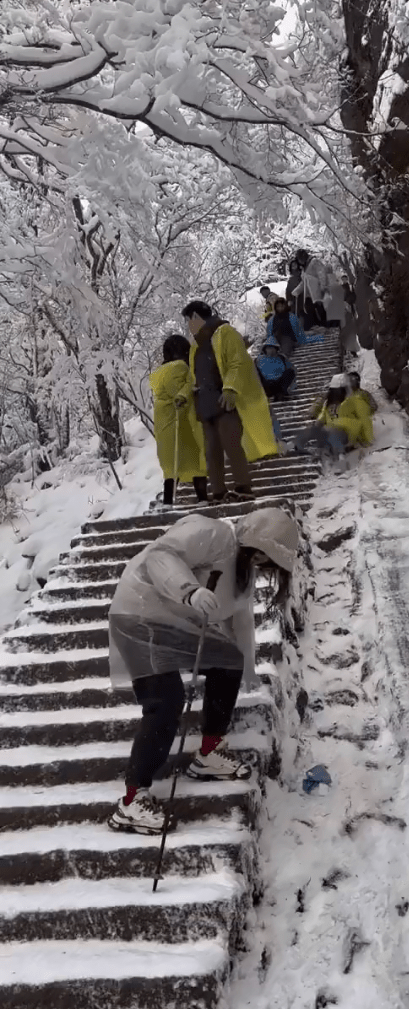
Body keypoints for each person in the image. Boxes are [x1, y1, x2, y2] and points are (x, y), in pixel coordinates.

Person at [107, 507, 299, 834]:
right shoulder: (211, 533)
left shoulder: (242, 574)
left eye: (267, 566)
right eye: (261, 559)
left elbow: (238, 622)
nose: (261, 569)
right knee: (166, 701)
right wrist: (190, 591)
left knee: (227, 660)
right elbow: (160, 556)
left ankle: (208, 751)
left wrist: (245, 668)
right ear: (255, 546)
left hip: (175, 624)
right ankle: (130, 801)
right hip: (138, 614)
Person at [182, 300, 278, 504]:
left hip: (224, 399)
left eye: (189, 320)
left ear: (197, 317)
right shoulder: (195, 345)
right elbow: (194, 373)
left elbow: (237, 362)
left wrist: (230, 388)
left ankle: (243, 486)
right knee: (212, 451)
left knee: (232, 444)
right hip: (204, 403)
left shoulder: (225, 333)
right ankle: (218, 491)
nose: (188, 325)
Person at [149, 335, 208, 506]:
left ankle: (168, 501)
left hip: (162, 421)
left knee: (170, 465)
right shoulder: (181, 367)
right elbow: (184, 388)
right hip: (181, 420)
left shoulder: (158, 373)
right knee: (195, 459)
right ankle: (202, 497)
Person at [289, 373, 373, 456]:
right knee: (315, 430)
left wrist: (367, 440)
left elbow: (365, 420)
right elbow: (322, 417)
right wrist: (316, 427)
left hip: (350, 434)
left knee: (336, 430)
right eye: (334, 390)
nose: (335, 393)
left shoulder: (356, 401)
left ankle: (338, 453)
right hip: (331, 432)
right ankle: (295, 444)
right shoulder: (328, 403)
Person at [292, 249, 332, 328]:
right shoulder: (305, 268)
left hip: (319, 291)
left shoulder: (314, 262)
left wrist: (323, 287)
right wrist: (297, 291)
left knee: (322, 311)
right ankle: (319, 327)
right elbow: (304, 282)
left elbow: (322, 274)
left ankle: (328, 328)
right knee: (312, 311)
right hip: (310, 295)